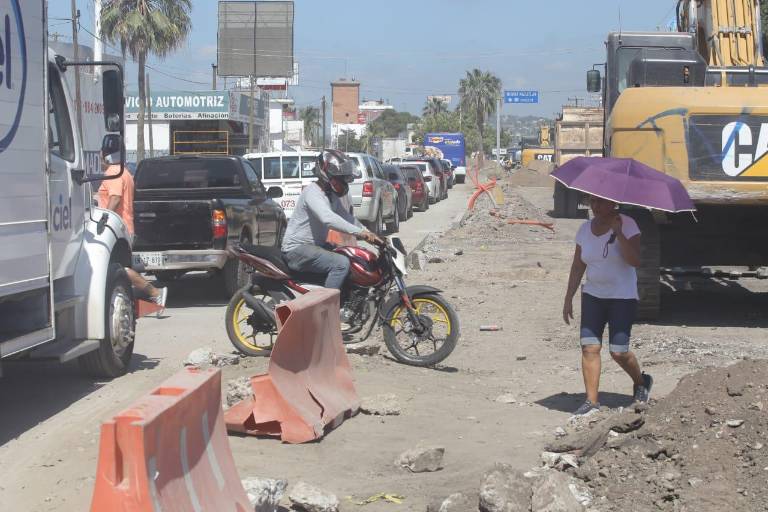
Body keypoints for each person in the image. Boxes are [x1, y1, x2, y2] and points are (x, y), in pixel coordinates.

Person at [563, 195, 653, 416]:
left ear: (613, 203)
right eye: (592, 202)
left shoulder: (628, 224)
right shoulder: (584, 230)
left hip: (622, 297)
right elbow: (578, 265)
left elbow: (635, 260)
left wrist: (619, 233)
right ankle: (591, 401)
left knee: (618, 352)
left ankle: (641, 382)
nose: (596, 206)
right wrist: (568, 297)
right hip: (593, 295)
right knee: (589, 347)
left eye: (601, 202)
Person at [281, 149, 381, 290]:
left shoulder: (330, 196)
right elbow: (328, 218)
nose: (343, 183)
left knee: (351, 255)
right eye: (339, 179)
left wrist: (369, 233)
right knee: (341, 264)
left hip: (315, 246)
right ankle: (329, 307)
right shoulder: (312, 192)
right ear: (326, 174)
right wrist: (360, 233)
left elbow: (346, 217)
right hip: (297, 249)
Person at [98, 149, 167, 308]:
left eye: (101, 158)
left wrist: (104, 219)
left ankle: (156, 293)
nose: (99, 161)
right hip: (124, 226)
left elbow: (115, 198)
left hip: (116, 229)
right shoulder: (124, 172)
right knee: (120, 267)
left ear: (108, 158)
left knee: (120, 268)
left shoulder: (113, 172)